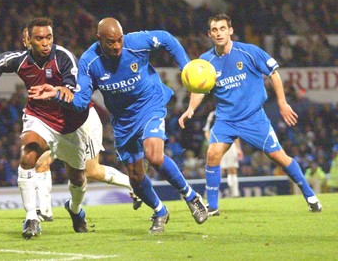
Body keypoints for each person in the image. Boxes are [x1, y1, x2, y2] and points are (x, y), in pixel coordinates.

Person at [28, 17, 208, 234]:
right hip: (123, 121)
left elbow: (166, 38)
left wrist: (186, 66)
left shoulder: (136, 42)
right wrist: (56, 93)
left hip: (149, 104)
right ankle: (160, 211)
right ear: (99, 39)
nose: (117, 46)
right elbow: (80, 102)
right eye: (111, 42)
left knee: (155, 155)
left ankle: (191, 196)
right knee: (136, 176)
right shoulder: (89, 62)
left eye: (119, 40)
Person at [0, 17, 135, 240]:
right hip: (40, 118)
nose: (45, 43)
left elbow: (75, 90)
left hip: (72, 125)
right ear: (28, 41)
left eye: (49, 37)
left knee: (80, 177)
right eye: (39, 38)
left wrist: (55, 90)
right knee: (28, 156)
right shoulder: (22, 61)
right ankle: (32, 217)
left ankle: (74, 209)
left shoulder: (64, 58)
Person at [178, 13, 322, 216]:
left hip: (253, 118)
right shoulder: (205, 61)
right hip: (226, 119)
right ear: (209, 34)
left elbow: (273, 73)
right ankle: (213, 206)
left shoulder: (249, 52)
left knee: (279, 157)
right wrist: (191, 108)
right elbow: (199, 87)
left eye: (222, 28)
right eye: (214, 30)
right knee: (212, 155)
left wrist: (282, 102)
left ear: (230, 30)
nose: (219, 33)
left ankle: (310, 196)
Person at [21, 28, 142, 222]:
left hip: (81, 122)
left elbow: (76, 91)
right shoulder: (28, 65)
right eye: (33, 38)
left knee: (91, 171)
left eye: (45, 38)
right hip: (53, 125)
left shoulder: (61, 59)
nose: (40, 42)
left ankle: (134, 186)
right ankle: (45, 211)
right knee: (41, 161)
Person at [203, 111, 243, 202]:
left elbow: (235, 133)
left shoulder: (230, 113)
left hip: (230, 144)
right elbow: (206, 130)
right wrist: (212, 143)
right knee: (216, 169)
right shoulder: (212, 114)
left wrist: (238, 148)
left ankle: (235, 193)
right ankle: (210, 193)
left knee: (232, 169)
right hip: (217, 144)